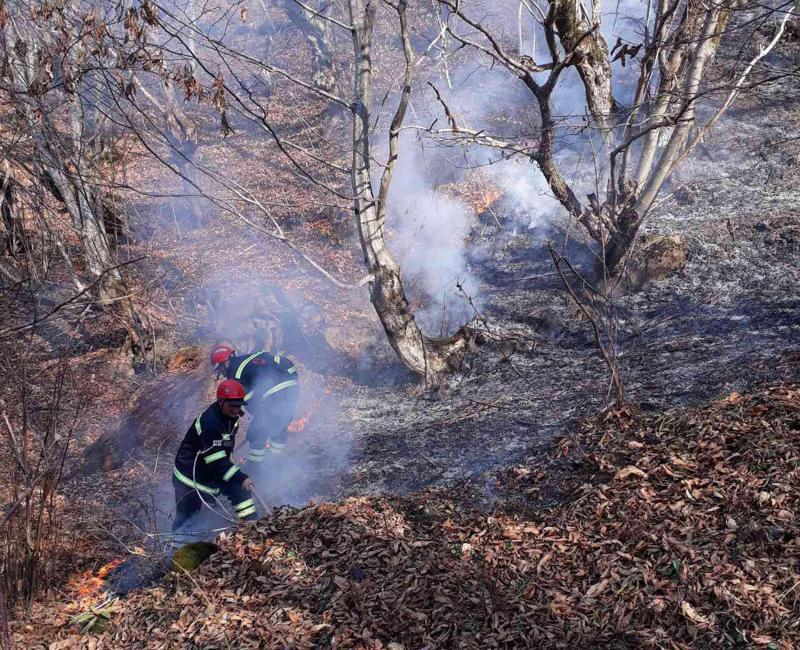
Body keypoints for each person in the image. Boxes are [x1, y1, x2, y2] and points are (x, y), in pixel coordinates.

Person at [172, 379, 257, 531]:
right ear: (221, 401)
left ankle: (252, 527)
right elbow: (216, 462)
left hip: (211, 468)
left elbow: (225, 446)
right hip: (190, 478)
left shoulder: (231, 418)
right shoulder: (210, 423)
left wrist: (230, 457)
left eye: (239, 405)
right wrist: (240, 477)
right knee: (186, 520)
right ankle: (177, 543)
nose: (236, 410)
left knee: (240, 490)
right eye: (232, 405)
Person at [209, 344, 299, 467]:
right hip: (292, 388)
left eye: (220, 369)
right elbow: (285, 363)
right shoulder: (249, 360)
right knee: (279, 427)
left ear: (225, 363)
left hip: (274, 394)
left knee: (256, 433)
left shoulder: (234, 374)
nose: (222, 373)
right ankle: (273, 462)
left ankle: (254, 468)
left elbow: (237, 404)